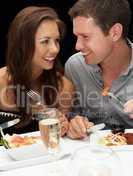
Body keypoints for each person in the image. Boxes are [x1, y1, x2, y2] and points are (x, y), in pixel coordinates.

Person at [0, 6, 75, 134]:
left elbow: (60, 141)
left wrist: (62, 127)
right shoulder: (1, 82)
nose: (55, 49)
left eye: (56, 41)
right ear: (23, 43)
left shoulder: (63, 87)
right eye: (45, 41)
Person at [65, 0, 133, 139]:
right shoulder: (75, 66)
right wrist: (73, 124)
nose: (77, 46)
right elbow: (70, 115)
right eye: (77, 37)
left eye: (85, 37)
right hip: (93, 155)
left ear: (115, 33)